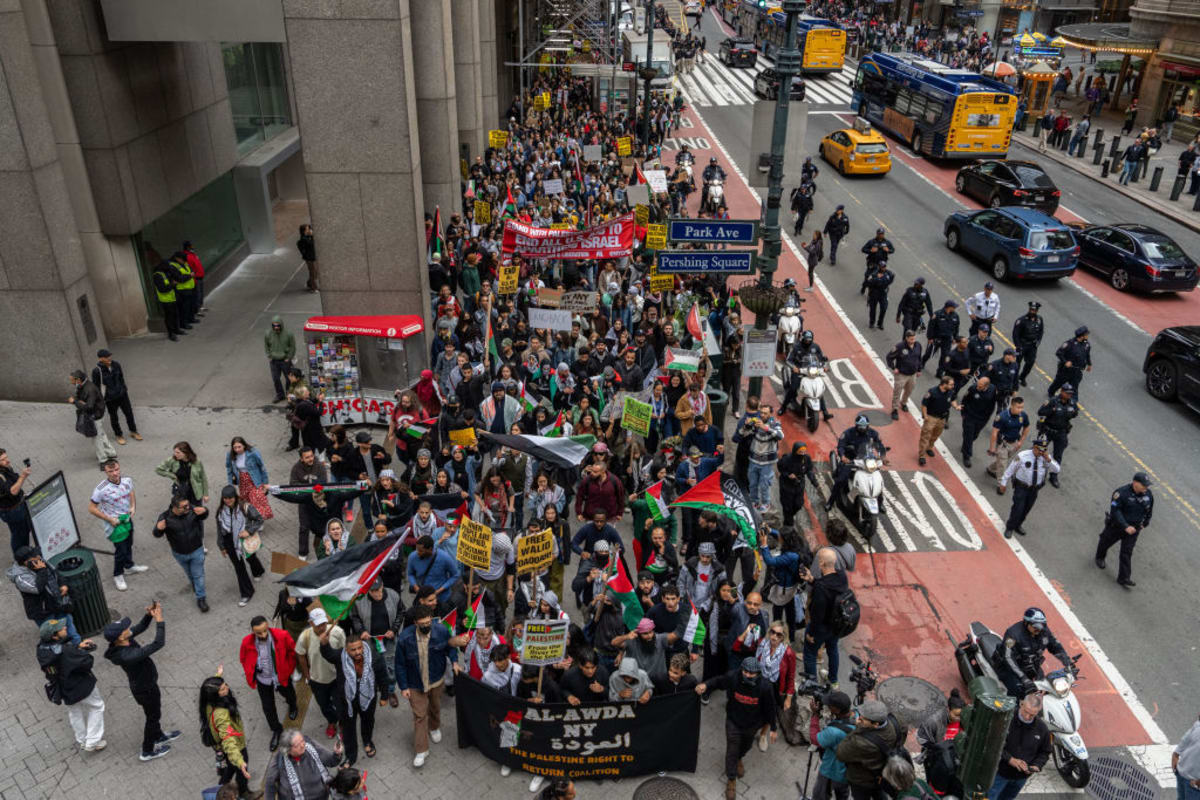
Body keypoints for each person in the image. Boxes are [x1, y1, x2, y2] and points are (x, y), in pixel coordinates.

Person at [103, 603, 180, 761]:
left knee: (153, 715)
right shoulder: (126, 655)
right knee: (152, 717)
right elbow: (158, 644)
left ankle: (158, 735)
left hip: (148, 684)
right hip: (145, 689)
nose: (128, 628)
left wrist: (149, 615)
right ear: (120, 637)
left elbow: (140, 627)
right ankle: (147, 751)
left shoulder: (124, 640)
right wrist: (160, 621)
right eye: (125, 628)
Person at [695, 657, 778, 800]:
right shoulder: (733, 677)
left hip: (752, 725)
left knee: (745, 746)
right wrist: (706, 685)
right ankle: (731, 779)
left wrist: (773, 728)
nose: (747, 675)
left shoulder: (765, 687)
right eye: (745, 671)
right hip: (733, 721)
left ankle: (740, 758)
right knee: (732, 750)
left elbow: (770, 708)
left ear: (758, 673)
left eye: (751, 673)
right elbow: (719, 681)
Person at [395, 604, 460, 768]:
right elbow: (400, 664)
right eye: (422, 624)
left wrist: (455, 662)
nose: (426, 626)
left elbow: (450, 648)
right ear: (415, 622)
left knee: (435, 707)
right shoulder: (405, 638)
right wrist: (403, 687)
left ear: (432, 619)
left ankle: (435, 726)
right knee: (419, 716)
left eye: (428, 623)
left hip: (436, 680)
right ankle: (421, 749)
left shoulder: (442, 631)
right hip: (415, 684)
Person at [320, 624, 387, 766]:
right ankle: (351, 755)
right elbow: (328, 654)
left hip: (368, 697)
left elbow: (382, 674)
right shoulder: (340, 657)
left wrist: (385, 695)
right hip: (346, 700)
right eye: (353, 650)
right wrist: (324, 643)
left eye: (359, 648)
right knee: (348, 728)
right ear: (346, 649)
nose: (357, 652)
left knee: (368, 721)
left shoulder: (373, 655)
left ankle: (367, 741)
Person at [37, 618, 106, 752]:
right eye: (61, 629)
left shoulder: (42, 649)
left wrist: (77, 647)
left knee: (75, 712)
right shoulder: (66, 652)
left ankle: (82, 740)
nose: (65, 628)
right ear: (54, 636)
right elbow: (86, 662)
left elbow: (60, 652)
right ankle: (92, 741)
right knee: (97, 707)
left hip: (63, 688)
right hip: (81, 685)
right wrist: (82, 651)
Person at [238, 616, 299, 752]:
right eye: (259, 633)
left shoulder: (281, 636)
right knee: (268, 707)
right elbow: (243, 658)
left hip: (280, 676)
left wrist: (288, 668)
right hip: (263, 680)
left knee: (288, 693)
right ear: (252, 631)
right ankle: (276, 730)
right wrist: (251, 669)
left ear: (268, 626)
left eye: (265, 631)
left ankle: (293, 705)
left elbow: (292, 652)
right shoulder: (247, 642)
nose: (263, 635)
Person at [199, 669, 260, 800]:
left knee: (230, 766)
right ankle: (244, 793)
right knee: (239, 768)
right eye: (222, 689)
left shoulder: (208, 702)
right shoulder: (221, 714)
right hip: (236, 746)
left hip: (221, 748)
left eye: (225, 685)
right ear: (215, 695)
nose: (226, 688)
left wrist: (218, 676)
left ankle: (221, 789)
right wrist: (240, 761)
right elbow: (228, 739)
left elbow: (210, 688)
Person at [89, 458, 145, 591]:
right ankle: (118, 574)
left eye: (116, 469)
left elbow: (131, 492)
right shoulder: (100, 489)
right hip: (114, 523)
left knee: (129, 543)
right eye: (111, 471)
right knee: (121, 550)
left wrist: (133, 506)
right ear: (105, 472)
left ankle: (129, 566)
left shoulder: (127, 480)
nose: (115, 473)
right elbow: (91, 508)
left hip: (126, 519)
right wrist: (109, 519)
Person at [836, 699, 909, 800]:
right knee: (879, 793)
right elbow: (902, 737)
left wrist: (859, 728)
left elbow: (840, 753)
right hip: (883, 773)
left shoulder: (861, 742)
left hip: (862, 780)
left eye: (863, 719)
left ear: (876, 724)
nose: (859, 718)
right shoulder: (897, 721)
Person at [992, 607, 1071, 698]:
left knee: (1047, 687)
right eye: (1035, 627)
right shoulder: (1012, 634)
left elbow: (1055, 646)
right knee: (1017, 691)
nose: (1039, 630)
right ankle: (1015, 711)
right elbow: (1008, 657)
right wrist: (1023, 678)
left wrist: (1067, 661)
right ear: (1026, 623)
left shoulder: (1044, 631)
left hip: (1031, 667)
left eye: (1042, 626)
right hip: (1010, 669)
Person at [349, 579, 404, 707]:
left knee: (390, 666)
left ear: (382, 586)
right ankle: (375, 688)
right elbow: (355, 617)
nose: (376, 593)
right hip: (369, 640)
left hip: (388, 639)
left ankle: (390, 691)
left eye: (378, 590)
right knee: (372, 664)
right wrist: (361, 631)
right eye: (373, 591)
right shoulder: (360, 600)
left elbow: (401, 612)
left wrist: (394, 629)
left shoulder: (393, 595)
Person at [1095, 471, 1154, 589]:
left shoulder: (1148, 494)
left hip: (1134, 529)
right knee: (1105, 541)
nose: (1146, 487)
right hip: (1117, 526)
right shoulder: (1121, 493)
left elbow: (1149, 509)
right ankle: (1100, 557)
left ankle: (1124, 577)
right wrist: (1126, 526)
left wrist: (1145, 523)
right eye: (1144, 485)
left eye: (1147, 485)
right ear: (1135, 483)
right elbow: (1115, 511)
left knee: (1127, 552)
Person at [988, 692, 1051, 800]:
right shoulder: (1005, 719)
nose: (1027, 717)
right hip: (999, 774)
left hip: (1021, 778)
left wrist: (1036, 766)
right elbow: (992, 743)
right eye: (1026, 712)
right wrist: (1010, 759)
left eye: (1032, 715)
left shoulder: (1042, 729)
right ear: (1021, 704)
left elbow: (1045, 752)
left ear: (1038, 712)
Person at [296, 607, 346, 742]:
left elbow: (345, 651)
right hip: (317, 680)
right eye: (318, 625)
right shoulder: (305, 636)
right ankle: (332, 721)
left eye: (323, 623)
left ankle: (342, 724)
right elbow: (301, 655)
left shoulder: (337, 632)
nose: (322, 627)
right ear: (311, 623)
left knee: (341, 704)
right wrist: (307, 676)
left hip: (336, 678)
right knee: (324, 705)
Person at [11, 546, 80, 643]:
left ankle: (79, 649)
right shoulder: (21, 578)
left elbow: (56, 573)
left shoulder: (39, 561)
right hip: (44, 613)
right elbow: (37, 588)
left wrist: (63, 585)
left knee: (71, 632)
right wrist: (41, 571)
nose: (38, 557)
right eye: (34, 557)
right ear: (26, 563)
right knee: (57, 639)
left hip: (59, 604)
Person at [154, 494, 210, 612]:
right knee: (190, 573)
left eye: (188, 505)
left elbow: (203, 515)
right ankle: (195, 585)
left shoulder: (191, 510)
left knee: (198, 574)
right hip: (179, 553)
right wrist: (158, 529)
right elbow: (157, 534)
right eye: (184, 507)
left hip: (196, 549)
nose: (187, 508)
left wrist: (205, 511)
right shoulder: (165, 517)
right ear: (175, 507)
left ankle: (201, 598)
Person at [802, 548, 848, 683]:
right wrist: (812, 580)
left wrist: (811, 633)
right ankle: (833, 680)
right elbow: (828, 586)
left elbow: (817, 615)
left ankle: (812, 685)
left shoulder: (821, 588)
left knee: (810, 654)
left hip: (821, 628)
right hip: (835, 625)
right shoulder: (841, 576)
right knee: (833, 649)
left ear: (821, 563)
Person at [997, 434, 1057, 539]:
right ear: (1034, 447)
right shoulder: (1023, 456)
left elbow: (1057, 470)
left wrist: (1048, 460)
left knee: (1027, 509)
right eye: (1039, 450)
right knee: (1018, 508)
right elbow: (1010, 470)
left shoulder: (1045, 458)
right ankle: (1010, 527)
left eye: (1044, 450)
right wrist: (1003, 483)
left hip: (1034, 489)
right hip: (1021, 487)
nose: (1041, 452)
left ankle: (1018, 525)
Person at [215, 485, 267, 606]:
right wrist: (221, 546)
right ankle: (247, 593)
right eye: (225, 498)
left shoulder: (245, 507)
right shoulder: (221, 511)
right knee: (239, 567)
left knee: (251, 558)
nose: (227, 500)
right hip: (229, 541)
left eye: (230, 498)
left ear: (235, 496)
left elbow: (259, 519)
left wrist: (249, 531)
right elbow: (220, 529)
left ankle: (258, 571)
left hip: (244, 538)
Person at [262, 730, 342, 800]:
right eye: (297, 745)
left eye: (302, 740)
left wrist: (337, 753)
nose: (302, 745)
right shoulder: (279, 760)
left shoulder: (311, 747)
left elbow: (332, 761)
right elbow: (270, 784)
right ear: (288, 750)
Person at [813, 690, 856, 800]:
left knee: (820, 795)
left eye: (830, 705)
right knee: (842, 795)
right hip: (847, 771)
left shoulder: (833, 732)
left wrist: (815, 715)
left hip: (831, 771)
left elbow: (815, 739)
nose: (828, 706)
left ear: (837, 709)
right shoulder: (857, 717)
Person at [68, 369, 117, 464]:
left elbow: (89, 407)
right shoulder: (82, 385)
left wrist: (75, 402)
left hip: (95, 415)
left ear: (78, 380)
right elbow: (82, 399)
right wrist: (79, 401)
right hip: (97, 413)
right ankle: (111, 453)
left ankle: (103, 460)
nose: (70, 381)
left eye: (72, 379)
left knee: (96, 438)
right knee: (101, 434)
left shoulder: (89, 389)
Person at [92, 349, 140, 445]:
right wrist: (101, 399)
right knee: (114, 417)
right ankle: (119, 435)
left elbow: (121, 377)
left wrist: (123, 389)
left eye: (110, 356)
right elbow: (96, 387)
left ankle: (133, 431)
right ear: (101, 359)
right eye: (107, 357)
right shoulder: (97, 371)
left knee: (129, 413)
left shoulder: (116, 364)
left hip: (122, 395)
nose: (110, 358)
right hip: (110, 398)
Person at [745, 403, 783, 513]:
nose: (762, 415)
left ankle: (766, 503)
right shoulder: (755, 420)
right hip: (754, 458)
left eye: (765, 413)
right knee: (752, 482)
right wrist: (747, 425)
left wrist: (765, 428)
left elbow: (780, 436)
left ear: (770, 414)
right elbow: (743, 432)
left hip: (767, 461)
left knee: (764, 484)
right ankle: (754, 501)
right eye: (761, 412)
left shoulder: (775, 423)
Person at [226, 437, 273, 520]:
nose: (237, 449)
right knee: (247, 502)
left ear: (244, 445)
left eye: (239, 447)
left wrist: (265, 482)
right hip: (242, 482)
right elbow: (229, 470)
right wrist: (231, 484)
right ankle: (252, 518)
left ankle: (259, 520)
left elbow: (262, 467)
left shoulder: (253, 453)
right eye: (235, 447)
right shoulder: (230, 455)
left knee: (257, 499)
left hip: (254, 480)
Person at [1036, 385, 1078, 479]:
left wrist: (1069, 413)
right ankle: (1035, 469)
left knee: (1058, 455)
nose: (1069, 395)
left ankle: (1053, 475)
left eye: (1070, 394)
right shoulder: (1052, 401)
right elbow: (1040, 412)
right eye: (1067, 393)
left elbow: (1075, 413)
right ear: (1062, 391)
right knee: (1039, 450)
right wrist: (1052, 410)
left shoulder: (1072, 403)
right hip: (1048, 430)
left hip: (1061, 432)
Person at [918, 376, 958, 466]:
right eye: (951, 384)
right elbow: (924, 404)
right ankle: (922, 456)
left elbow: (953, 399)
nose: (953, 386)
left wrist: (956, 406)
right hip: (931, 417)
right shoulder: (932, 392)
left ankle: (929, 447)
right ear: (944, 384)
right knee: (925, 436)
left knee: (936, 434)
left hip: (942, 418)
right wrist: (925, 415)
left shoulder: (950, 392)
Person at [987, 397, 1031, 481]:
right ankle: (1001, 483)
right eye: (1018, 407)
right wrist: (992, 448)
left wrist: (1021, 442)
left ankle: (991, 469)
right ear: (1012, 406)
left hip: (1014, 443)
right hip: (1003, 444)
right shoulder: (1002, 416)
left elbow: (1027, 427)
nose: (1020, 410)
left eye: (1022, 407)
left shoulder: (1023, 415)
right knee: (1003, 465)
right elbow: (994, 432)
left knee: (1003, 460)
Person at [958, 375, 997, 469]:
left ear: (986, 386)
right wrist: (963, 413)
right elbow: (965, 400)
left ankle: (965, 446)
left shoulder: (992, 390)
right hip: (969, 415)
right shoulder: (973, 388)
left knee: (974, 435)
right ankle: (967, 456)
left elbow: (992, 405)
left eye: (980, 386)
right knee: (969, 435)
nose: (977, 387)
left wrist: (987, 418)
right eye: (977, 385)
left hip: (982, 418)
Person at [0, 448, 33, 556]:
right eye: (3, 460)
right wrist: (23, 476)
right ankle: (20, 558)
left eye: (6, 457)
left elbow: (14, 480)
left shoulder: (5, 467)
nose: (7, 461)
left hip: (18, 505)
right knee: (18, 534)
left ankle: (25, 552)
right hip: (12, 511)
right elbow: (13, 491)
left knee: (25, 530)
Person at [778, 442, 819, 528]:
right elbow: (780, 468)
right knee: (787, 507)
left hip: (799, 485)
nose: (802, 454)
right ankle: (788, 523)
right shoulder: (787, 459)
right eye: (800, 452)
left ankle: (790, 516)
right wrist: (788, 475)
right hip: (787, 487)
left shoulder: (806, 459)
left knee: (799, 504)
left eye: (804, 451)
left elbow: (809, 471)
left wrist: (815, 482)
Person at [886, 331, 923, 420]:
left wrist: (919, 369)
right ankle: (894, 409)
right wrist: (893, 367)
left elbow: (919, 358)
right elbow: (889, 357)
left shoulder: (918, 345)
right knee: (897, 392)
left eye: (914, 338)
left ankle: (903, 403)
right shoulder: (900, 346)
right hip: (901, 374)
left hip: (913, 374)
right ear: (906, 338)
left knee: (909, 390)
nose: (913, 340)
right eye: (911, 339)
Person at [1047, 326, 1091, 399]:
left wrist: (1089, 364)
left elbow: (1087, 354)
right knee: (1058, 383)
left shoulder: (1086, 344)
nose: (1087, 336)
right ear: (1082, 336)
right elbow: (1059, 353)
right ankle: (1051, 392)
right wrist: (1065, 362)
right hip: (1066, 370)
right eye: (1086, 334)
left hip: (1077, 371)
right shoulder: (1069, 344)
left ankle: (1073, 403)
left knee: (1074, 388)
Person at [1010, 302, 1043, 387]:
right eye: (1031, 309)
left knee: (1030, 363)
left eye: (1034, 310)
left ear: (1037, 311)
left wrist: (1038, 342)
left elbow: (1041, 332)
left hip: (1032, 346)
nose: (1032, 311)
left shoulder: (1039, 320)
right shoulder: (1021, 320)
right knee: (1017, 363)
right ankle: (1014, 378)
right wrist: (1018, 346)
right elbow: (1015, 334)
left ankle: (1022, 377)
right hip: (1022, 344)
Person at [265, 316, 296, 403]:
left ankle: (289, 394)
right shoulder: (268, 334)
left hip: (285, 360)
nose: (276, 328)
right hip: (274, 361)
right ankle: (280, 395)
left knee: (289, 378)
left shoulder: (288, 334)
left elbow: (292, 347)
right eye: (274, 326)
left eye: (278, 325)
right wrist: (269, 356)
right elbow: (266, 346)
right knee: (275, 378)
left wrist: (289, 357)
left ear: (281, 325)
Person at [923, 300, 959, 376]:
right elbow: (931, 326)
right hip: (936, 338)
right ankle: (921, 363)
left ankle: (939, 372)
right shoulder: (937, 314)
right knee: (929, 353)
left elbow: (956, 328)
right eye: (953, 307)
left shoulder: (955, 316)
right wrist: (930, 338)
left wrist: (955, 338)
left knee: (945, 356)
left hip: (947, 340)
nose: (955, 308)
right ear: (949, 307)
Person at [151, 257, 181, 341]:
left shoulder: (166, 272)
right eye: (167, 266)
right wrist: (173, 284)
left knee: (175, 315)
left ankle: (176, 330)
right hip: (165, 300)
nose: (169, 268)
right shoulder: (157, 275)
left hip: (172, 298)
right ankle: (171, 334)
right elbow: (162, 289)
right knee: (169, 317)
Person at [1173, 714, 1200, 800]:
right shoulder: (1197, 725)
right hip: (1182, 774)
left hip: (1195, 785)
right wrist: (1176, 754)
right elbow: (1185, 740)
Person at [863, 261, 895, 331]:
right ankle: (872, 322)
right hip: (874, 293)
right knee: (873, 309)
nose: (883, 268)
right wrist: (877, 279)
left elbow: (892, 277)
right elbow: (868, 282)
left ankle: (880, 323)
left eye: (884, 266)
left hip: (883, 294)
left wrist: (886, 283)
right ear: (879, 267)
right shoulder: (874, 273)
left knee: (884, 308)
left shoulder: (888, 273)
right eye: (882, 267)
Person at [297, 224, 318, 292]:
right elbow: (311, 244)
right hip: (310, 259)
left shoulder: (308, 237)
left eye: (309, 228)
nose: (309, 230)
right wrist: (312, 235)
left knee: (315, 272)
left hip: (313, 257)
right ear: (304, 231)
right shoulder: (304, 239)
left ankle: (310, 283)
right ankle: (313, 288)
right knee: (313, 273)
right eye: (307, 229)